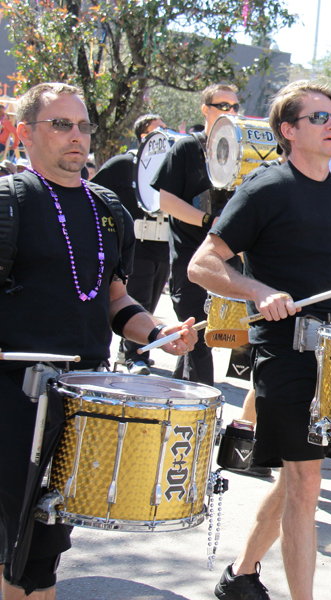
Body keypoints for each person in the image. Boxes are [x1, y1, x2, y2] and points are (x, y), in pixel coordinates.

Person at [188, 80, 331, 600]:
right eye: (318, 118)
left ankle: (241, 576)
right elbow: (203, 264)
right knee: (306, 484)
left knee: (296, 479)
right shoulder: (267, 188)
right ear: (288, 131)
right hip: (284, 351)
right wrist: (259, 290)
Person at [0, 82, 196, 600]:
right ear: (24, 134)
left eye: (83, 126)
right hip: (13, 396)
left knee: (46, 547)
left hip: (81, 395)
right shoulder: (9, 201)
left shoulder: (109, 209)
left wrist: (157, 333)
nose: (77, 137)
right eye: (61, 124)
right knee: (10, 546)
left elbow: (112, 299)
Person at [151, 83, 240, 385]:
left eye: (234, 107)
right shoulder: (188, 147)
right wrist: (208, 221)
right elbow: (165, 201)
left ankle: (183, 406)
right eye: (222, 106)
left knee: (199, 343)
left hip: (229, 264)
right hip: (191, 261)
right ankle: (205, 416)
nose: (230, 112)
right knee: (196, 338)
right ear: (205, 109)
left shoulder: (243, 152)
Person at [92, 113, 169, 375]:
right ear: (142, 136)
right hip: (136, 244)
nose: (163, 136)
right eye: (156, 130)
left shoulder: (171, 166)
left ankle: (138, 351)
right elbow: (93, 194)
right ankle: (133, 356)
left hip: (162, 246)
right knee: (136, 298)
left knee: (152, 303)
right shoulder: (123, 164)